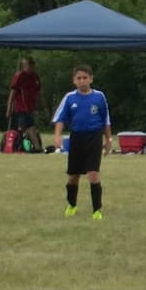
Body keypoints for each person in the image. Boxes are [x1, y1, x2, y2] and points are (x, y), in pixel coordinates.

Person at [52, 64, 112, 220]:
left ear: (91, 79)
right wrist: (57, 136)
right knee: (73, 176)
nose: (82, 81)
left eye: (85, 77)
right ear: (74, 80)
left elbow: (105, 119)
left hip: (94, 137)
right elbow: (60, 119)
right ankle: (71, 205)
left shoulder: (99, 97)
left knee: (93, 174)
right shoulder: (70, 98)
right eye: (79, 78)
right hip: (76, 137)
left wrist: (108, 139)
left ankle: (96, 210)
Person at [6, 56, 45, 152]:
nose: (29, 67)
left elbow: (39, 92)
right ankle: (36, 146)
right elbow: (13, 93)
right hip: (20, 107)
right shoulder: (19, 76)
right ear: (23, 66)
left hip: (30, 107)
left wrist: (43, 106)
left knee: (24, 128)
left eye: (31, 65)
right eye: (27, 65)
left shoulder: (35, 77)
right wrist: (9, 108)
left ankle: (24, 145)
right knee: (28, 126)